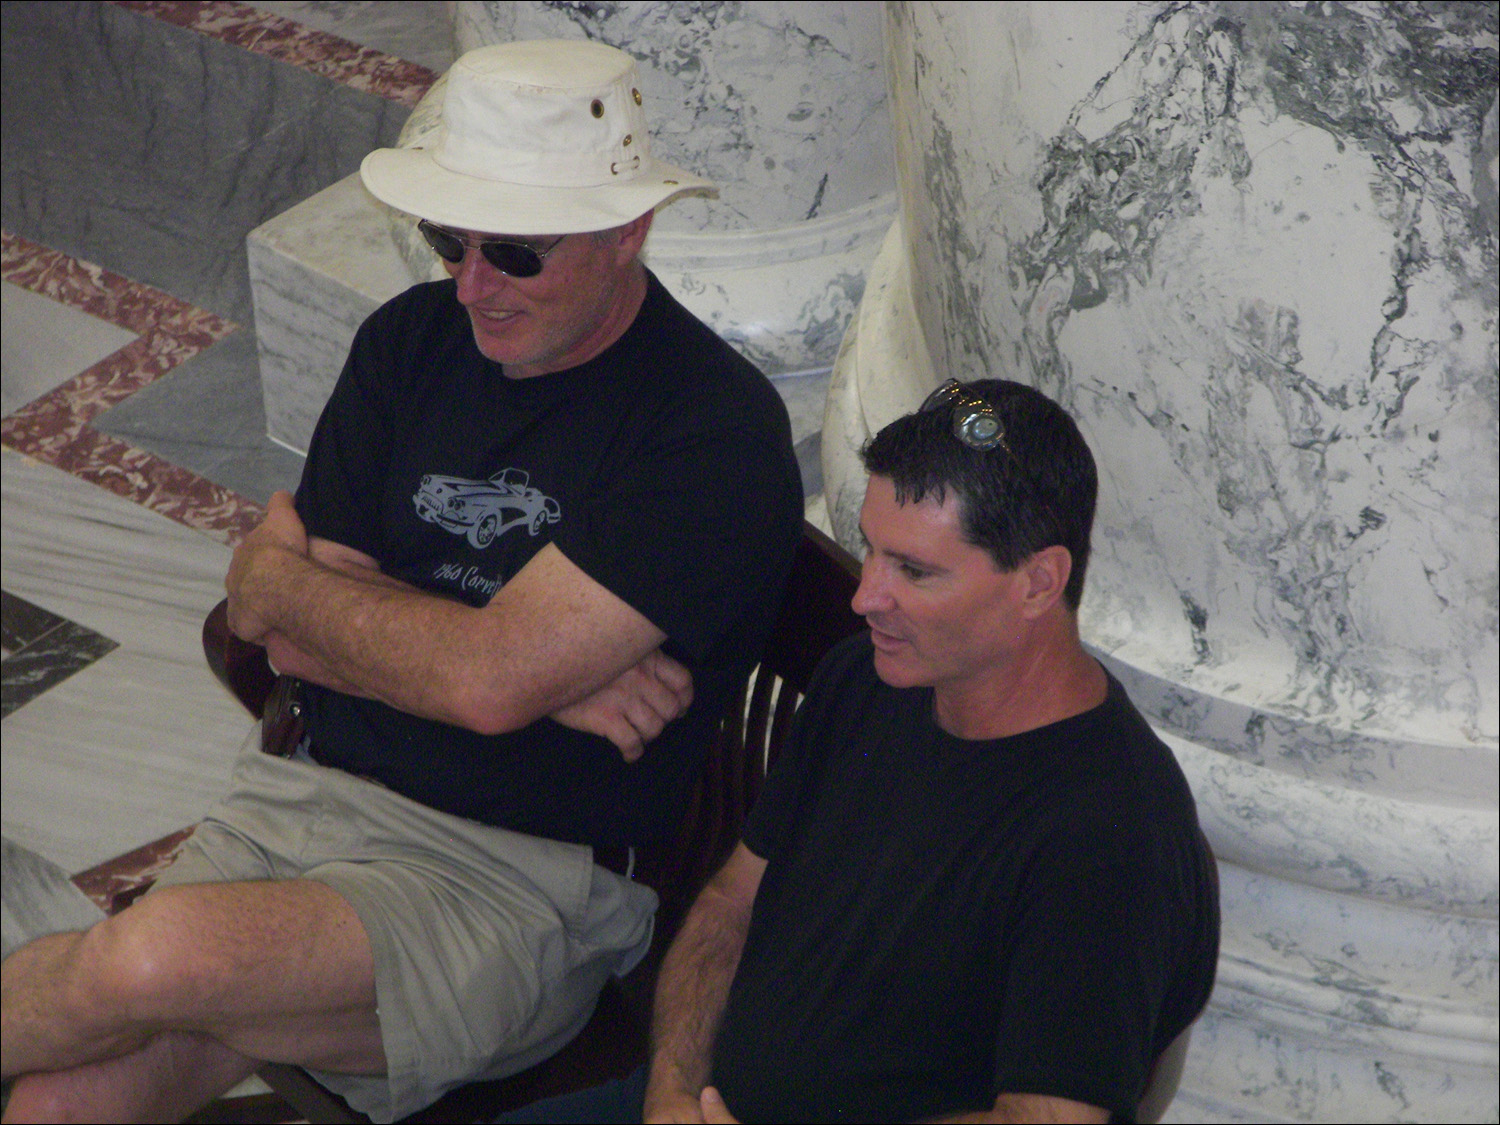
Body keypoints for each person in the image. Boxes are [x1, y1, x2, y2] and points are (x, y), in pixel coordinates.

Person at [1, 40, 802, 1124]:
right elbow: (284, 635)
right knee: (58, 1105)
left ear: (627, 231)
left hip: (510, 889)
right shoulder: (410, 342)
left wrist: (309, 596)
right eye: (447, 240)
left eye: (514, 253)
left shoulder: (708, 434)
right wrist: (509, 667)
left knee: (142, 968)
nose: (470, 284)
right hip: (301, 796)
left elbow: (361, 630)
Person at [509, 378, 1218, 1123]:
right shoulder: (868, 680)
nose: (865, 596)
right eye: (870, 551)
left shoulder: (1109, 833)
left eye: (913, 571)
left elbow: (1046, 1118)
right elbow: (730, 904)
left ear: (1039, 582)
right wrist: (671, 1092)